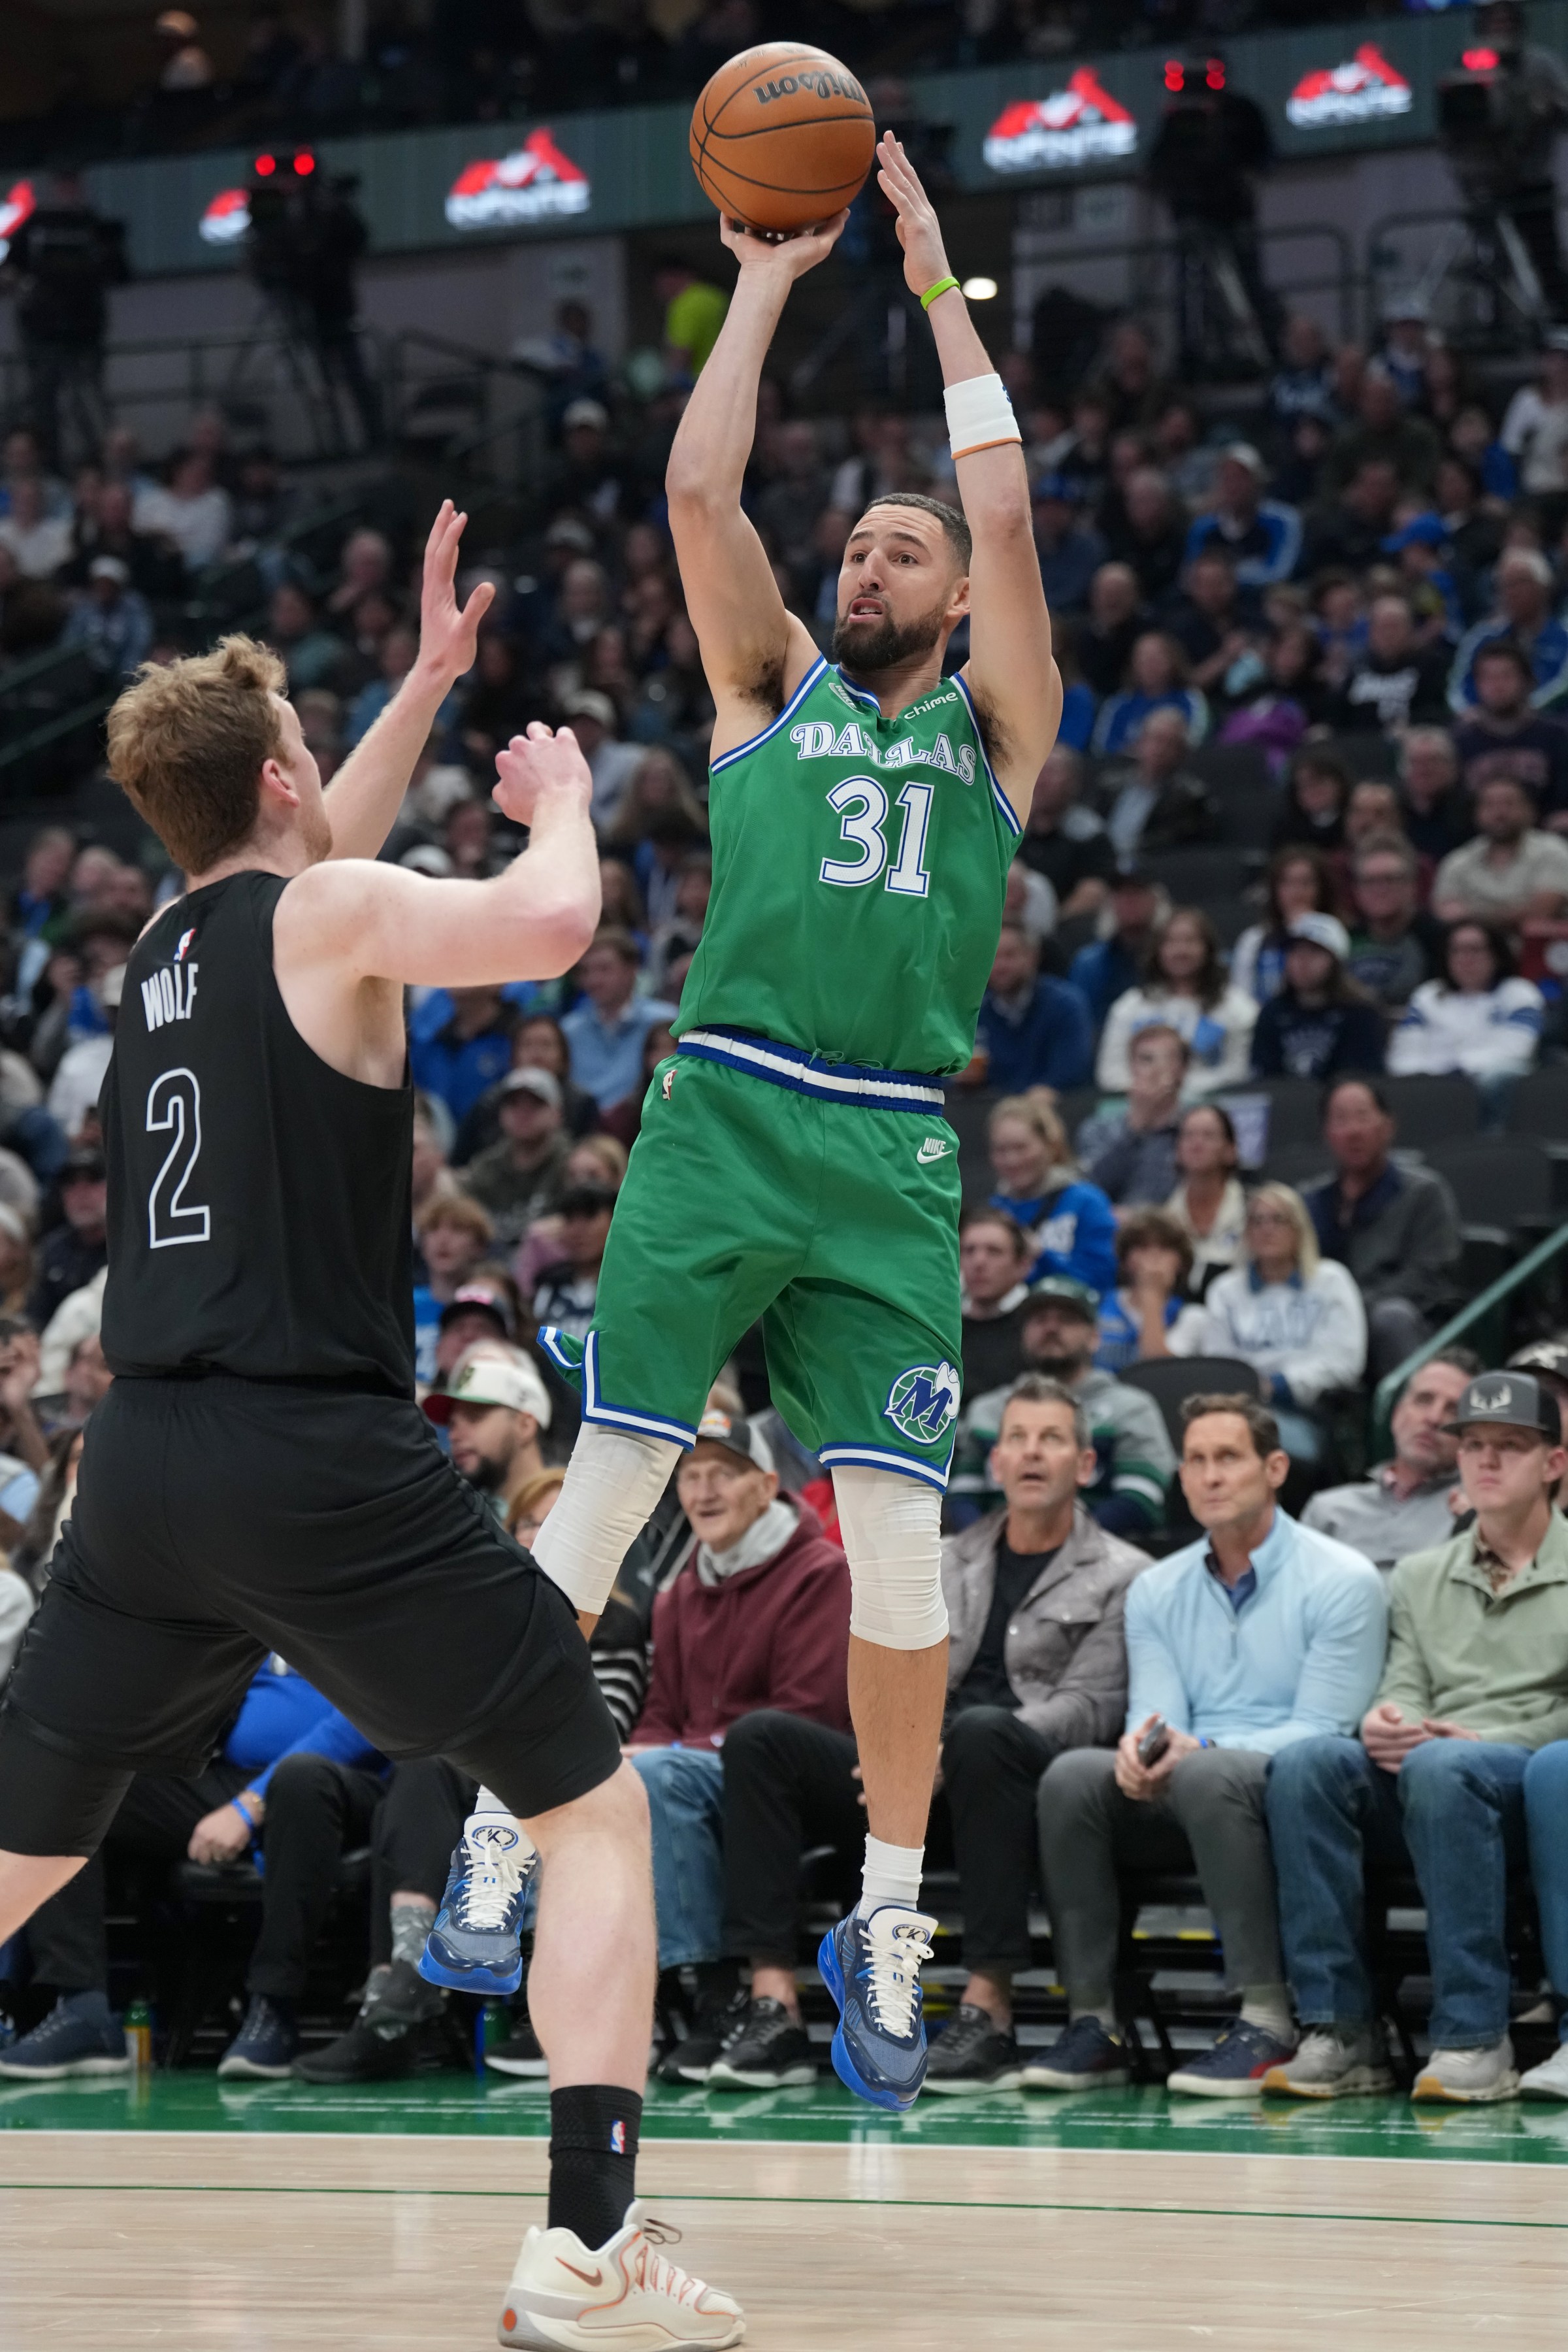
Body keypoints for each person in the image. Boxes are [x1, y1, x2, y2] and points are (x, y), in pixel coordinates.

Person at [0, 504, 744, 2343]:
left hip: (141, 1458)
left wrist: (415, 681)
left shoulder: (155, 950)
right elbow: (553, 922)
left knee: (24, 1832)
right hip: (305, 1449)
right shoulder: (321, 909)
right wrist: (555, 793)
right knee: (587, 1808)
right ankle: (588, 2243)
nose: (335, 779)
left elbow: (307, 861)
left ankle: (593, 2238)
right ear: (277, 775)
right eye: (317, 755)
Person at [463, 134, 1066, 2117]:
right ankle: (497, 1805)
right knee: (615, 1474)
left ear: (959, 596)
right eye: (861, 547)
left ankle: (886, 1905)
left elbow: (997, 495)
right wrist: (765, 281)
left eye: (906, 548)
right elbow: (699, 488)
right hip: (725, 1107)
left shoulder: (997, 730)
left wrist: (932, 275)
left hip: (890, 1141)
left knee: (899, 1545)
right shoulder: (766, 692)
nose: (871, 560)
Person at [1028, 1394, 1386, 2097]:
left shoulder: (1343, 1577)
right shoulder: (1156, 1586)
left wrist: (1205, 1747)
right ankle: (1095, 2021)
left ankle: (1267, 2016)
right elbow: (1155, 1708)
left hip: (1294, 1786)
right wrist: (1142, 1748)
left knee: (1211, 1772)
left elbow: (1325, 1725)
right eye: (1195, 1460)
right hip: (1193, 1772)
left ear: (1275, 1467)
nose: (1209, 1475)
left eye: (1228, 1457)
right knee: (1074, 1774)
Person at [1264, 1370, 1568, 2106]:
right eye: (1474, 1445)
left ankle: (1474, 2035)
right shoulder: (1420, 1575)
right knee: (1307, 1762)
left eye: (1511, 1446)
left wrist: (1476, 1735)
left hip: (1531, 1771)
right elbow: (1403, 1681)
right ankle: (1341, 2028)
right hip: (1437, 1770)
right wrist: (1387, 1718)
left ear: (1554, 1463)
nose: (1487, 1460)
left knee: (1445, 1763)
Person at [915, 1376, 1152, 2092]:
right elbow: (898, 1668)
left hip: (1030, 1768)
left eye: (1051, 1438)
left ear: (1085, 1464)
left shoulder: (1123, 1572)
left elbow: (1092, 1705)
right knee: (770, 1743)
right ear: (994, 1463)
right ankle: (765, 2004)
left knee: (984, 1733)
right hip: (930, 1762)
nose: (1031, 1453)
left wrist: (949, 1753)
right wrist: (903, 1749)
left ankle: (989, 2007)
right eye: (1016, 1437)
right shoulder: (945, 1556)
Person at [0, 1653, 388, 2081]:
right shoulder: (257, 1606)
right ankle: (81, 2005)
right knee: (72, 1781)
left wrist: (249, 1805)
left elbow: (375, 1712)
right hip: (232, 1774)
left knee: (300, 1778)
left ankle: (274, 2008)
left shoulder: (372, 1603)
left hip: (348, 1783)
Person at [622, 1403, 851, 2083]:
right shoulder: (676, 1593)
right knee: (606, 1780)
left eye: (724, 1472)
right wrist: (635, 1757)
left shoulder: (820, 1571)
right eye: (690, 1474)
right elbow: (659, 1713)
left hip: (799, 1779)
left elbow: (808, 1710)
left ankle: (719, 1994)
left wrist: (676, 1755)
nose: (703, 1490)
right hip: (702, 1773)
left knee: (673, 1770)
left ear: (766, 1482)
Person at [952, 1276, 1175, 1539]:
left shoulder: (1131, 1407)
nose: (1051, 1328)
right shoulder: (987, 1410)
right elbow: (962, 1497)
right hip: (992, 1556)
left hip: (1101, 1558)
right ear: (1022, 1336)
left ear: (1094, 1338)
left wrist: (1061, 1545)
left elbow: (1142, 1498)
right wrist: (995, 1548)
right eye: (1039, 1320)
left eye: (1066, 1320)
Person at [1170, 1185, 1367, 1464]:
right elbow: (1220, 1364)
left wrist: (1279, 1385)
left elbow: (1344, 1362)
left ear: (1299, 1228)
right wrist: (1249, 1390)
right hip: (1238, 1409)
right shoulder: (1225, 1290)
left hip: (1310, 1411)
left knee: (1249, 1447)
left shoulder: (1331, 1281)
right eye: (1258, 1221)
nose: (1267, 1229)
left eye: (1279, 1219)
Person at [1301, 1078, 1463, 1380]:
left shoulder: (1424, 1193)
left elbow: (1429, 1275)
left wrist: (1353, 1308)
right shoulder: (1310, 1201)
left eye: (1363, 1117)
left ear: (1388, 1126)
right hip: (1323, 1319)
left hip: (1406, 1320)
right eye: (1341, 1120)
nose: (1353, 1131)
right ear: (1327, 1134)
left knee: (1391, 1318)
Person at [1303, 1350, 1479, 1573]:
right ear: (1396, 1415)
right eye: (1424, 1400)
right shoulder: (1328, 1510)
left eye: (1453, 1410)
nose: (1434, 1418)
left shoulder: (1474, 1515)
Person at [1096, 907, 1258, 1095]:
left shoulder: (1238, 1008)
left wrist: (1181, 1088)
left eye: (1190, 941)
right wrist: (1150, 1090)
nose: (1181, 951)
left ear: (1208, 949)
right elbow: (1110, 1073)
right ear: (1158, 951)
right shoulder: (1130, 1007)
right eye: (1171, 942)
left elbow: (1240, 1071)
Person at [1388, 919, 1546, 1106]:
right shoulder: (1427, 996)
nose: (1465, 959)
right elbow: (1404, 1054)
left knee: (1503, 1075)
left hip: (1485, 1088)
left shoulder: (1519, 993)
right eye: (1456, 951)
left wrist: (1456, 1072)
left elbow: (1515, 1051)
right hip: (1429, 1088)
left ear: (1497, 955)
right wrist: (1430, 1078)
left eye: (1475, 950)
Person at [986, 1093, 1117, 1297]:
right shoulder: (994, 1211)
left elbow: (1101, 1282)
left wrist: (1040, 1255)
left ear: (1050, 1146)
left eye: (1021, 1148)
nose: (1011, 1160)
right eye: (1001, 1150)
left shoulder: (1087, 1202)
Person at [1249, 914, 1388, 1082]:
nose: (1302, 962)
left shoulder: (1361, 1014)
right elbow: (1264, 1077)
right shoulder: (1272, 1013)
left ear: (1336, 961)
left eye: (1314, 953)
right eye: (1295, 952)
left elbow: (1364, 1079)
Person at [421, 1346, 553, 1521]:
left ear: (525, 1425)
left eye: (474, 1418)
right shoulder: (454, 1516)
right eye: (452, 1424)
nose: (454, 1436)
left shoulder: (575, 1508)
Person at [558, 927, 676, 1116]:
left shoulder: (665, 1021)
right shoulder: (569, 1030)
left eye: (604, 969)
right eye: (586, 971)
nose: (593, 980)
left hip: (645, 1121)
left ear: (632, 969)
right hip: (585, 1129)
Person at [1452, 638, 1568, 823]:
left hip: (1547, 838)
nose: (1497, 686)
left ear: (1527, 681)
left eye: (1506, 676)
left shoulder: (1557, 735)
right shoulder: (1460, 741)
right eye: (1488, 678)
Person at [457, 1067, 570, 1250]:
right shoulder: (484, 1167)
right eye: (513, 1104)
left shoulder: (573, 1163)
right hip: (491, 1267)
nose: (522, 1112)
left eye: (535, 1104)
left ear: (557, 1114)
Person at [1075, 1025, 1188, 1208]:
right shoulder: (1098, 1128)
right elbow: (1091, 1189)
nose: (1157, 1069)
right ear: (1131, 1067)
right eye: (1146, 1059)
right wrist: (1137, 1126)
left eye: (1168, 1058)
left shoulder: (1194, 1129)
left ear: (1183, 1069)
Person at [973, 921, 1092, 1093]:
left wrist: (1048, 1090)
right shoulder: (975, 1012)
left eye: (1010, 955)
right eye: (993, 956)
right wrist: (960, 1079)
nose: (1000, 966)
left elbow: (1071, 1071)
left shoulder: (1065, 1005)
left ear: (1033, 957)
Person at [1433, 777, 1568, 924]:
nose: (1499, 813)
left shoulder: (1553, 851)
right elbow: (1445, 913)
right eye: (1489, 805)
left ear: (1530, 811)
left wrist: (1472, 914)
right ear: (1476, 813)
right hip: (1478, 945)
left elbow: (1541, 913)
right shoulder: (1458, 861)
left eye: (1509, 804)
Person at [1448, 549, 1568, 712]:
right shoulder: (1482, 638)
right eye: (1504, 586)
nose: (1511, 593)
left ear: (1543, 587)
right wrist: (1478, 715)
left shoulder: (1564, 638)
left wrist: (1516, 714)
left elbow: (1561, 688)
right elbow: (1457, 690)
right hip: (1484, 728)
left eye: (1520, 583)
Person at [1093, 705, 1217, 863]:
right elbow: (1090, 827)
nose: (1160, 750)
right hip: (1098, 864)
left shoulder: (1190, 797)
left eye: (1170, 744)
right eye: (1156, 740)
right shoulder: (1109, 785)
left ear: (1182, 753)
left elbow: (1169, 844)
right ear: (1140, 743)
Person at [1346, 835, 1445, 1012]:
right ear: (1357, 891)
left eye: (1390, 880)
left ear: (1412, 885)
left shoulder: (1441, 940)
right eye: (1369, 881)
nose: (1380, 890)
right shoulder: (1345, 940)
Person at [1231, 846, 1338, 1008]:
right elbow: (1242, 997)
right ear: (1275, 890)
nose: (1297, 891)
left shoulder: (1334, 930)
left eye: (1306, 882)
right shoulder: (1254, 939)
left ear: (1321, 888)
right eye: (1288, 883)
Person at [1183, 442, 1301, 589]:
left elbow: (1279, 573)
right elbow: (1190, 576)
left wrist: (1224, 581)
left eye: (1241, 478)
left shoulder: (1283, 520)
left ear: (1258, 482)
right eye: (1227, 478)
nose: (1233, 485)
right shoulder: (1204, 527)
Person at [1017, 746, 1117, 918]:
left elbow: (1094, 892)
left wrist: (1048, 926)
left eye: (1053, 772)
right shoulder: (1013, 829)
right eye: (1039, 770)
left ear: (1073, 782)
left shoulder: (1089, 835)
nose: (1042, 780)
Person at [1096, 1209, 1195, 1374]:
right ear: (1125, 1260)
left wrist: (1151, 1294)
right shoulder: (1097, 1306)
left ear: (1181, 1262)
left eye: (1164, 1248)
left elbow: (1157, 1372)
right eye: (1142, 1247)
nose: (1153, 1256)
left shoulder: (1191, 1318)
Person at [1166, 1101, 1247, 1293]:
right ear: (1177, 1150)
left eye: (1208, 1136)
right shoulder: (1164, 1218)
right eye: (1188, 1135)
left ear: (1230, 1151)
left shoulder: (1252, 1210)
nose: (1197, 1143)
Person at [1068, 867, 1164, 1028]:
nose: (1130, 901)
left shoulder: (1172, 957)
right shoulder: (1089, 964)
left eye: (1138, 893)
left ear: (1155, 900)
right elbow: (1081, 1023)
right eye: (1122, 894)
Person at [958, 1207, 1033, 1400]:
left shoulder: (1038, 1321)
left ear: (1022, 1265)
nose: (979, 1262)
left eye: (994, 1252)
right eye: (969, 1250)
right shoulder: (943, 1320)